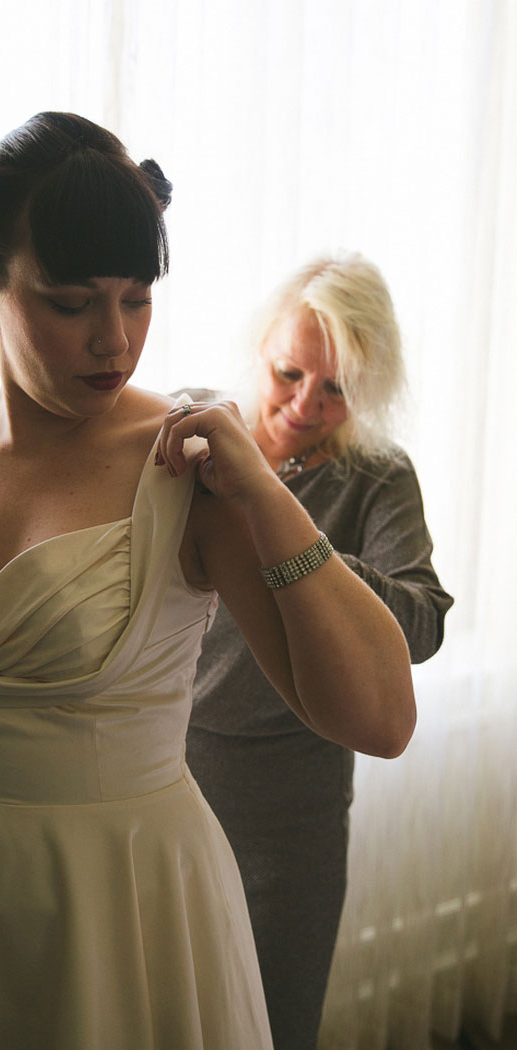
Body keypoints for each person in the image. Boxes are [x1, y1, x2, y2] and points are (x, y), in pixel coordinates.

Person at [0, 115, 416, 1050]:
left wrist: (265, 496)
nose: (115, 340)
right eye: (71, 303)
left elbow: (382, 721)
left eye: (138, 299)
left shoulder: (186, 468)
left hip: (125, 904)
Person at [183, 252, 454, 1050]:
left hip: (290, 816)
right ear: (261, 349)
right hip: (169, 776)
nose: (305, 404)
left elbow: (426, 623)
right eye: (289, 372)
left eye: (335, 388)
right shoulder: (201, 445)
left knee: (270, 1022)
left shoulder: (377, 477)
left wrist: (303, 546)